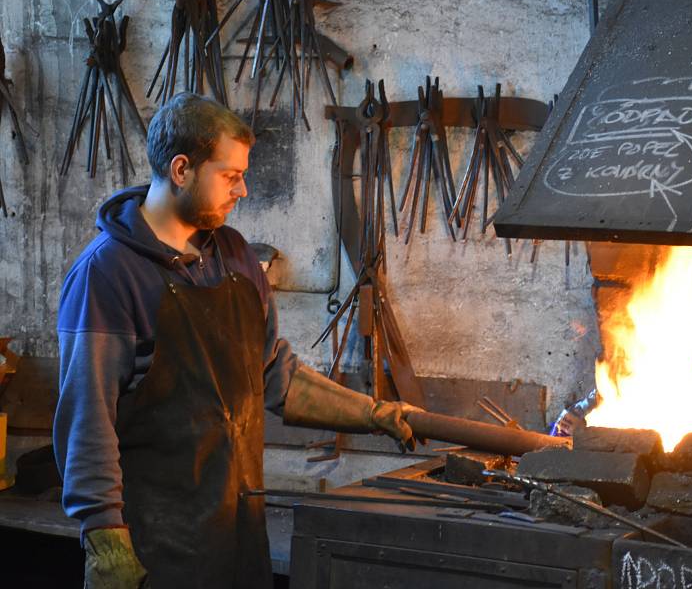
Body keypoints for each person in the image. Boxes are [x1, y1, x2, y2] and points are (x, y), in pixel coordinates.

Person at [54, 92, 422, 589]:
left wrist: (372, 414)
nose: (243, 190)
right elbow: (86, 418)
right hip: (153, 549)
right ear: (181, 169)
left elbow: (276, 377)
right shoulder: (108, 274)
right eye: (230, 176)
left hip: (237, 536)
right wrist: (104, 536)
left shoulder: (235, 256)